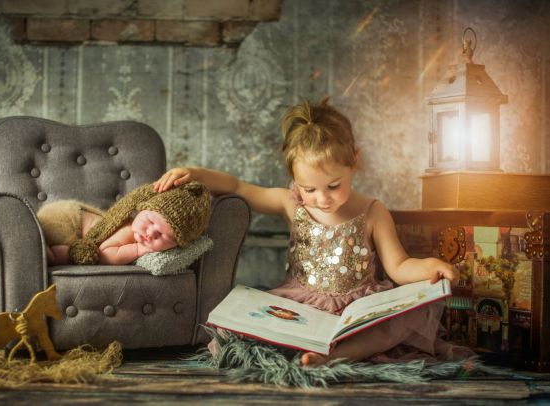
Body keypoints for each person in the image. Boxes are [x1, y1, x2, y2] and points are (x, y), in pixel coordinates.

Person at [153, 98, 474, 367]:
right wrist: (193, 173)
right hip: (301, 304)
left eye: (334, 185)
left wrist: (429, 266)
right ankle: (307, 346)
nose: (323, 198)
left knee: (396, 322)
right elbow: (238, 186)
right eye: (310, 188)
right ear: (294, 177)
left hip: (356, 308)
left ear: (354, 163)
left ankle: (334, 356)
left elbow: (399, 266)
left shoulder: (372, 212)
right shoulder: (292, 204)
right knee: (249, 324)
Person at [38, 201, 178, 265]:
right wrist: (139, 249)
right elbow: (105, 254)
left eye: (161, 235)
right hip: (66, 221)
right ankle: (45, 251)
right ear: (142, 211)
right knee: (60, 255)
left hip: (64, 214)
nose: (150, 233)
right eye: (150, 222)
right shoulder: (128, 230)